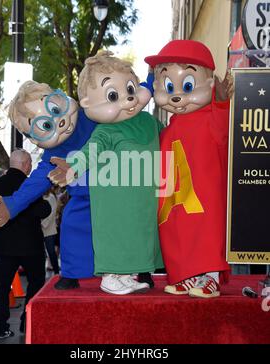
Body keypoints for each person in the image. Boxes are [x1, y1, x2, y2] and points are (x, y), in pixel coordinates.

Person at [50, 51, 164, 294]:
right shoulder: (105, 132)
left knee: (139, 233)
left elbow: (170, 139)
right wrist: (73, 167)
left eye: (131, 90)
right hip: (116, 201)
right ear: (89, 105)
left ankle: (128, 274)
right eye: (113, 95)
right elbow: (89, 152)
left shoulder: (147, 122)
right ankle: (111, 275)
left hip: (143, 199)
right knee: (116, 232)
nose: (128, 100)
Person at [0, 81, 97, 290]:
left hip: (117, 192)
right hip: (84, 198)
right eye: (46, 126)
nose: (60, 122)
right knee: (71, 225)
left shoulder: (94, 115)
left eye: (56, 109)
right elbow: (35, 183)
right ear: (33, 139)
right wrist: (12, 205)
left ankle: (140, 270)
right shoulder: (53, 155)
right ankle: (72, 273)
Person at [145, 40, 233, 298]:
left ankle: (210, 277)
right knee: (176, 233)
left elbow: (224, 130)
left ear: (209, 84)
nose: (176, 95)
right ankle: (185, 275)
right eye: (169, 86)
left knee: (206, 232)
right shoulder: (168, 128)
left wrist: (223, 103)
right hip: (174, 195)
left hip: (204, 195)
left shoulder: (210, 118)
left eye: (187, 86)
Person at [0, 149, 51, 339]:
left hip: (4, 247)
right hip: (30, 246)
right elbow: (42, 210)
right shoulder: (28, 184)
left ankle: (0, 328)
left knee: (2, 287)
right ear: (24, 164)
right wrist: (45, 203)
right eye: (30, 164)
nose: (31, 167)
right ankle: (27, 322)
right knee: (36, 283)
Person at [42, 187, 60, 275]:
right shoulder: (39, 197)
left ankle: (56, 272)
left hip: (49, 230)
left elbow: (52, 213)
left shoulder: (51, 197)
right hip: (40, 230)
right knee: (41, 253)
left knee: (51, 252)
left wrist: (42, 223)